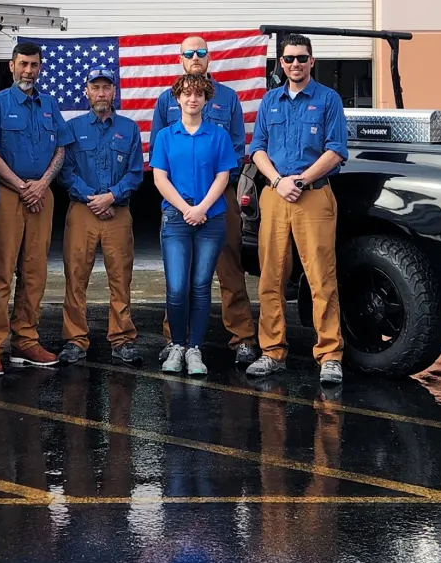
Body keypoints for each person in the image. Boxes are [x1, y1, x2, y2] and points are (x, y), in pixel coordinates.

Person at [150, 35, 261, 364]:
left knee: (229, 267)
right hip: (177, 204)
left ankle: (242, 336)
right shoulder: (164, 100)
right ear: (181, 58)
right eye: (189, 53)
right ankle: (175, 339)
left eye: (201, 52)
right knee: (178, 277)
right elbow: (160, 151)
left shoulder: (227, 98)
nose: (195, 57)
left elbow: (238, 148)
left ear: (209, 57)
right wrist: (185, 205)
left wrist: (211, 194)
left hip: (218, 198)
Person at [247, 33, 350, 384]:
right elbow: (257, 149)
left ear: (312, 61)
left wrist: (301, 181)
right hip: (276, 196)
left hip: (314, 196)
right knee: (270, 277)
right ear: (281, 62)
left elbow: (336, 150)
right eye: (289, 58)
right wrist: (278, 181)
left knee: (321, 277)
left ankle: (329, 355)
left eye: (301, 58)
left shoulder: (328, 100)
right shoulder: (269, 101)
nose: (295, 64)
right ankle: (272, 352)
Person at [0, 41, 74, 369]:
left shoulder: (49, 105)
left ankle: (25, 341)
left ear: (40, 68)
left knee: (34, 271)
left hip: (41, 196)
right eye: (23, 64)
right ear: (12, 66)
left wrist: (43, 184)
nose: (28, 70)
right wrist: (20, 186)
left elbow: (61, 148)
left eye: (34, 65)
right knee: (0, 271)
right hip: (7, 196)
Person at [57, 69, 146, 366]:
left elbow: (135, 173)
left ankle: (121, 339)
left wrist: (111, 196)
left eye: (106, 88)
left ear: (114, 92)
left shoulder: (129, 128)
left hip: (117, 210)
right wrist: (93, 198)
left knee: (121, 277)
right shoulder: (73, 128)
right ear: (86, 92)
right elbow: (65, 171)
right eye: (95, 87)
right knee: (76, 276)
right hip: (83, 210)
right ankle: (75, 339)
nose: (101, 93)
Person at [149, 74, 234, 377]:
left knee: (200, 286)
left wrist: (202, 209)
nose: (192, 99)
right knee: (177, 286)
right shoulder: (166, 137)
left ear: (206, 99)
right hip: (176, 219)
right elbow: (159, 177)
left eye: (198, 94)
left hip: (210, 220)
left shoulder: (218, 136)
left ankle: (195, 348)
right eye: (186, 94)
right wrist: (187, 209)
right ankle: (177, 346)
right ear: (178, 99)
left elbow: (223, 177)